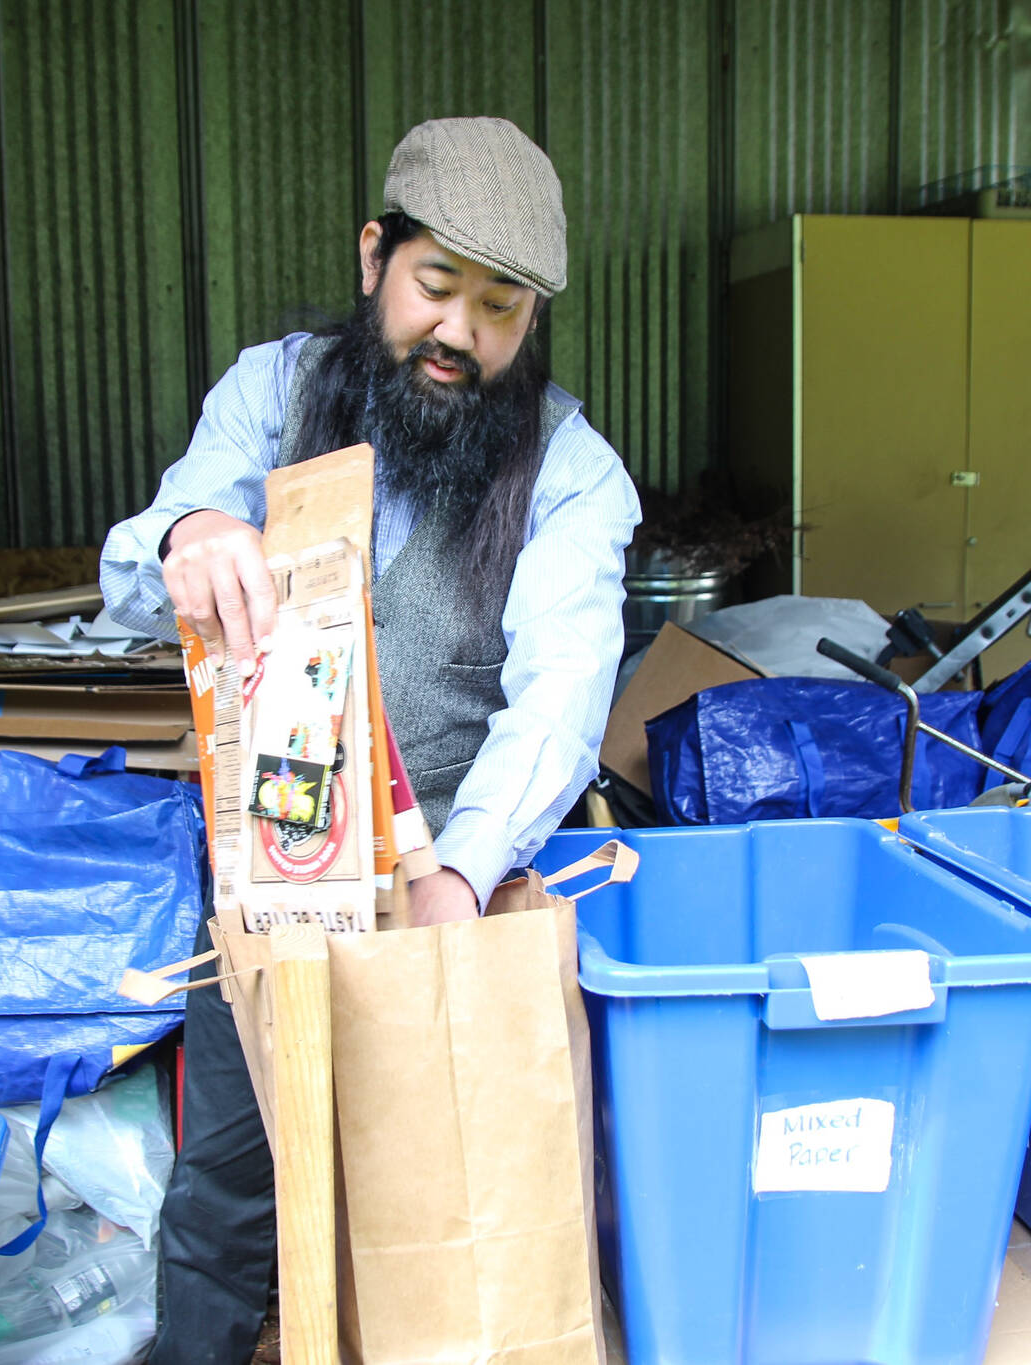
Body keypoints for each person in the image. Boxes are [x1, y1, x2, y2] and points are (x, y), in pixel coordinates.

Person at [98, 115, 639, 1365]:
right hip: (269, 879)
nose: (460, 333)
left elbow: (560, 694)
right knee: (226, 1194)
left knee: (454, 1202)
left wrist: (461, 871)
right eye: (435, 286)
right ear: (371, 257)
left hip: (456, 883)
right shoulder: (271, 394)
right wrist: (188, 534)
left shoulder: (570, 472)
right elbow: (133, 576)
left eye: (500, 309)